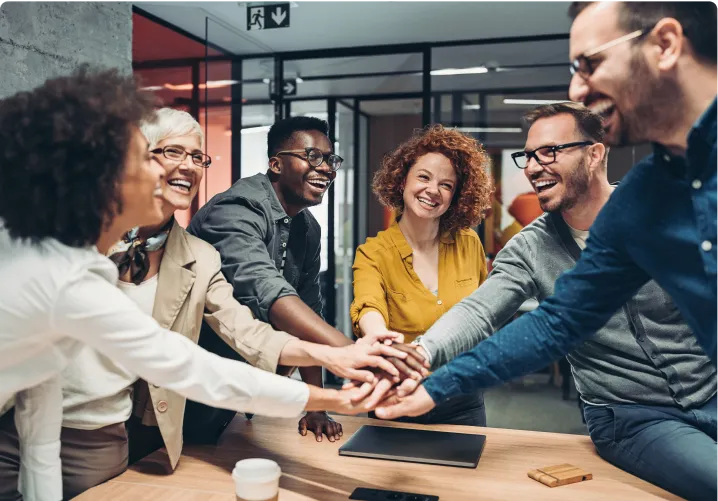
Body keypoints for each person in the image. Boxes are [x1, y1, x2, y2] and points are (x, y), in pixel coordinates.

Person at [376, 1, 718, 498]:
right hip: (634, 416)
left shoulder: (643, 198)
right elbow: (548, 321)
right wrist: (427, 374)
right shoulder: (643, 204)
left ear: (664, 44)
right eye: (529, 156)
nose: (579, 87)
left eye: (590, 64)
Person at [0, 67, 383, 501]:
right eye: (158, 156)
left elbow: (40, 425)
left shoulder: (91, 261)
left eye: (197, 157)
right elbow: (192, 368)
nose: (184, 169)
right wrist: (332, 393)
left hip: (87, 438)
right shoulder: (64, 267)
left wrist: (329, 380)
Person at [188, 116, 427, 442]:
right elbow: (268, 290)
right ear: (276, 164)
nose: (327, 168)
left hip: (240, 383)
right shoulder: (236, 208)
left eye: (331, 159)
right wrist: (354, 351)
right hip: (191, 380)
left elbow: (308, 310)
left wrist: (315, 406)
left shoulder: (307, 228)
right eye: (313, 156)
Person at [350, 125, 492, 426]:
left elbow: (483, 312)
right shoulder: (374, 252)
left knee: (467, 473)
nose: (432, 190)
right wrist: (377, 336)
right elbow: (368, 304)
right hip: (397, 394)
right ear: (402, 181)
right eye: (424, 177)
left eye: (446, 185)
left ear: (456, 196)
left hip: (463, 396)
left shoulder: (469, 244)